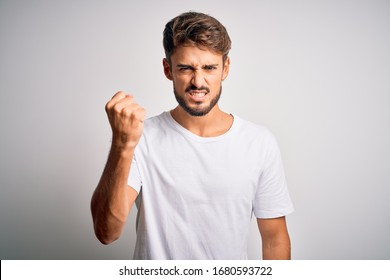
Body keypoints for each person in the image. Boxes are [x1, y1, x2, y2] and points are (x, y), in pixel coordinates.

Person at [91, 11, 294, 260]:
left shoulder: (259, 143)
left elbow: (275, 239)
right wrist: (122, 145)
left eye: (209, 68)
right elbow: (106, 232)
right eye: (186, 68)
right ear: (168, 69)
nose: (198, 82)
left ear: (225, 68)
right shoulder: (142, 138)